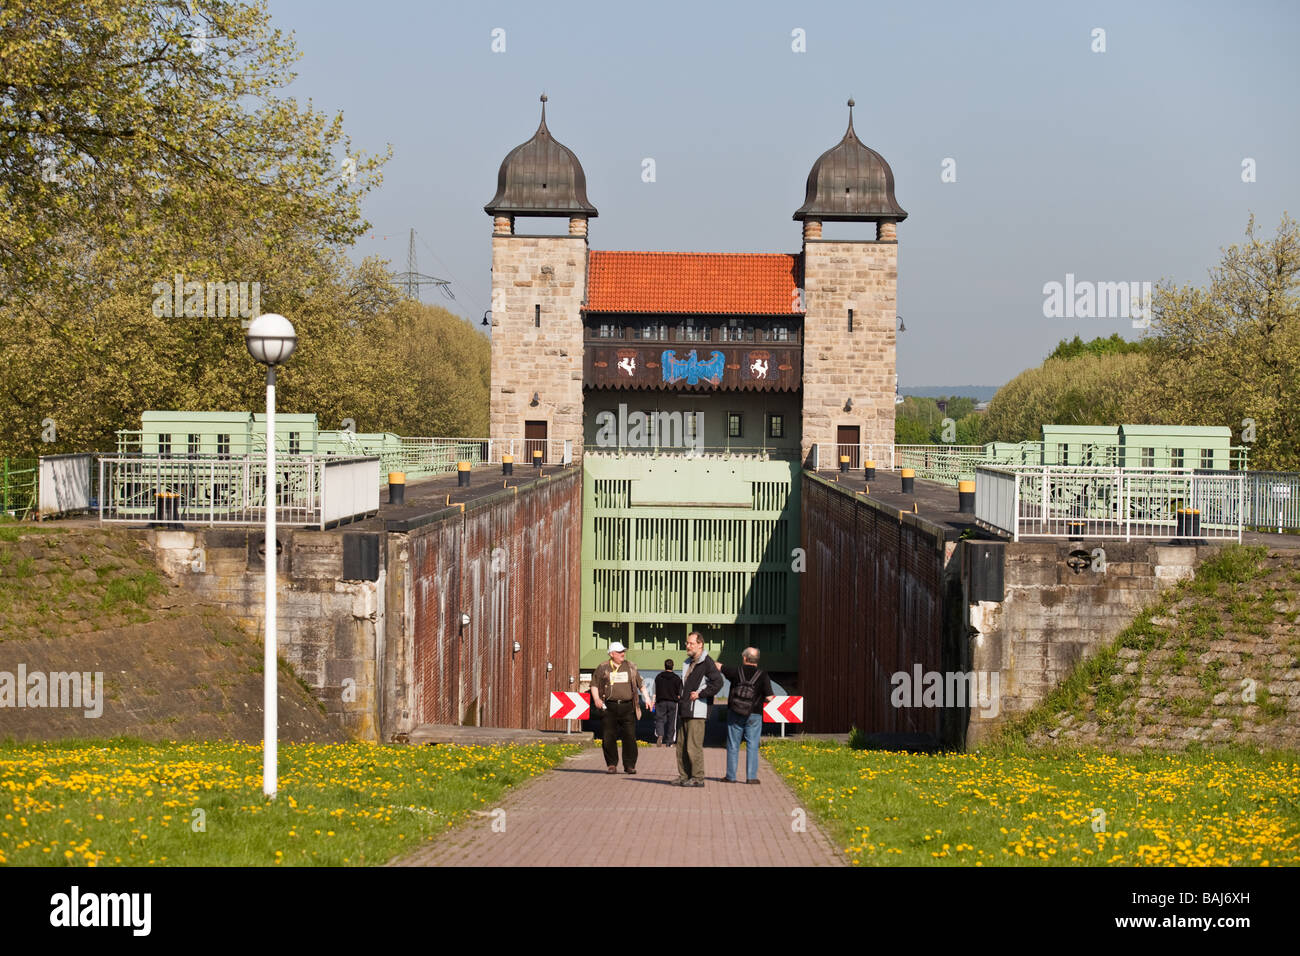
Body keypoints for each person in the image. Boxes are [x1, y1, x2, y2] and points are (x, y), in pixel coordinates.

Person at [718, 647, 775, 784]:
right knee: (753, 744)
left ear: (744, 658)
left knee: (733, 744)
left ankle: (731, 776)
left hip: (735, 712)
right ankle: (751, 777)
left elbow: (719, 667)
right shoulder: (763, 675)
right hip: (754, 714)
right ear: (757, 660)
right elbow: (769, 697)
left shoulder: (736, 671)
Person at [589, 642, 647, 774]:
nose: (623, 654)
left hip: (627, 707)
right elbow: (594, 685)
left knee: (630, 736)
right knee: (608, 736)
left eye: (623, 651)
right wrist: (597, 699)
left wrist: (647, 698)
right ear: (611, 654)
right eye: (619, 652)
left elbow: (641, 685)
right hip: (609, 707)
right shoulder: (603, 667)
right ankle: (611, 764)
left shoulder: (630, 666)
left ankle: (630, 765)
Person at [675, 631, 722, 787]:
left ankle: (697, 778)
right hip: (685, 708)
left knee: (693, 747)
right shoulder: (688, 662)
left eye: (691, 643)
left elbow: (718, 683)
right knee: (681, 746)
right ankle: (684, 776)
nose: (687, 646)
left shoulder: (707, 663)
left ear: (700, 644)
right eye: (687, 643)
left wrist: (701, 694)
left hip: (698, 711)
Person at [651, 659, 682, 747]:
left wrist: (653, 702)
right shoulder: (677, 678)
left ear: (664, 666)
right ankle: (670, 742)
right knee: (672, 722)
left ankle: (660, 735)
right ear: (673, 666)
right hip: (673, 702)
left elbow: (655, 691)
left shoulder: (658, 677)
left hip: (660, 701)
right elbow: (680, 693)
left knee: (659, 720)